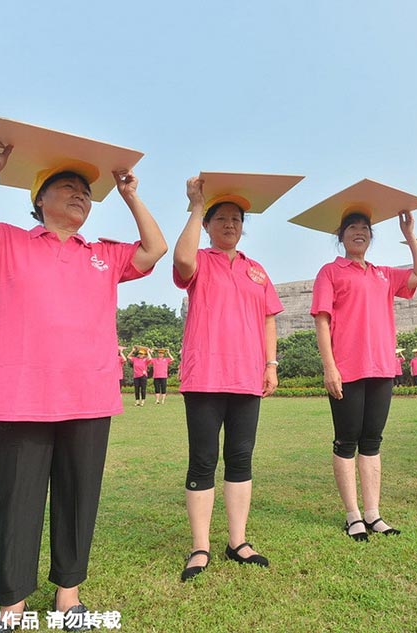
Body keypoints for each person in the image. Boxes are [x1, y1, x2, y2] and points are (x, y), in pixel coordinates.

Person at [0, 133, 167, 631]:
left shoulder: (103, 254)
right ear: (40, 199)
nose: (81, 195)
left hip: (89, 394)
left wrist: (130, 195)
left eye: (87, 192)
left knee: (79, 499)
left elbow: (154, 249)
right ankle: (12, 605)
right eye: (68, 186)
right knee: (18, 499)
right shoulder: (4, 242)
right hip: (20, 397)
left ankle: (68, 598)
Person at [173, 176, 283, 581]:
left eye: (236, 219)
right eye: (221, 218)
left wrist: (270, 365)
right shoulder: (200, 260)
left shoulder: (256, 271)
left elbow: (269, 318)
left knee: (240, 458)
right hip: (204, 377)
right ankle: (200, 546)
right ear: (207, 224)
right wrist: (196, 205)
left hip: (246, 378)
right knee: (202, 461)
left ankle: (237, 541)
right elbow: (181, 262)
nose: (230, 224)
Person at [313, 210, 417, 540]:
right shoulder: (330, 272)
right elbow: (322, 321)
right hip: (346, 370)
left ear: (371, 237)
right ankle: (352, 515)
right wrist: (329, 367)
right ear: (341, 236)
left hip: (381, 369)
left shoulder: (383, 274)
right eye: (352, 228)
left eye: (365, 228)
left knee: (372, 441)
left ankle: (374, 514)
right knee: (347, 441)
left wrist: (409, 236)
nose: (359, 233)